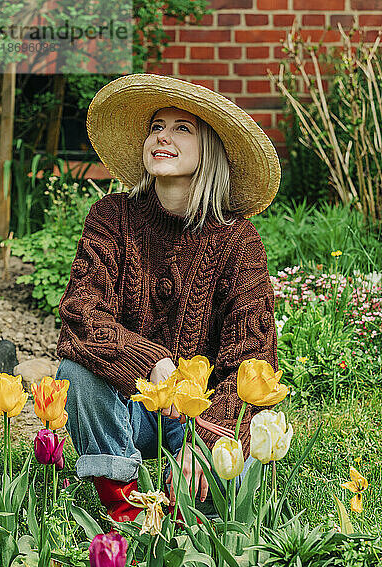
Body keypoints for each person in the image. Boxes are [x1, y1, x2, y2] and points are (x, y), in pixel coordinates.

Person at [55, 73, 281, 523]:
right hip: (127, 407)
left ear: (209, 149)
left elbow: (253, 357)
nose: (163, 136)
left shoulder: (239, 242)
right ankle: (126, 510)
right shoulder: (111, 218)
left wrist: (207, 440)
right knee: (75, 372)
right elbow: (82, 317)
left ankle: (188, 513)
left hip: (196, 421)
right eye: (157, 125)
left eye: (183, 128)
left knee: (241, 470)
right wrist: (153, 363)